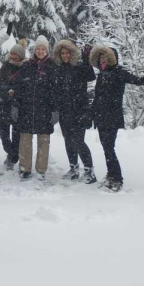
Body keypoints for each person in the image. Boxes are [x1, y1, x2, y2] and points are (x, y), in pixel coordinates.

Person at [90, 45, 144, 192]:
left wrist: (143, 80)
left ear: (112, 58)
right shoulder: (101, 74)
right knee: (106, 148)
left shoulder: (118, 72)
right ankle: (111, 175)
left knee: (109, 148)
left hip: (112, 117)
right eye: (101, 57)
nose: (103, 59)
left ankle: (117, 178)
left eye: (105, 57)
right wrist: (91, 113)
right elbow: (98, 97)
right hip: (100, 117)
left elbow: (133, 79)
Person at [11, 36, 57, 181]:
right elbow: (18, 87)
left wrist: (55, 110)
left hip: (45, 111)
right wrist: (15, 106)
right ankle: (25, 169)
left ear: (47, 50)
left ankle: (41, 170)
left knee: (43, 142)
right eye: (38, 49)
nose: (41, 51)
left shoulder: (52, 67)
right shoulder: (27, 66)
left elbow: (55, 91)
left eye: (43, 49)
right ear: (34, 50)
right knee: (25, 141)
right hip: (26, 109)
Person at [51, 39, 98, 183]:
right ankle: (74, 168)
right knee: (68, 140)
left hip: (79, 111)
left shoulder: (79, 67)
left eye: (68, 53)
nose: (65, 56)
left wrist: (86, 61)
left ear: (72, 53)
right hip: (65, 111)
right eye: (63, 53)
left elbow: (91, 76)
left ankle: (90, 171)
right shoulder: (59, 68)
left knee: (78, 141)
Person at [0, 42, 25, 170]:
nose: (12, 56)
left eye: (16, 54)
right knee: (4, 136)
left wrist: (15, 93)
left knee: (16, 136)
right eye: (11, 53)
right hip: (3, 106)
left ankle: (12, 158)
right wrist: (5, 92)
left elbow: (23, 87)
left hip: (17, 107)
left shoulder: (24, 69)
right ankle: (12, 154)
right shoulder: (5, 67)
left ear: (21, 56)